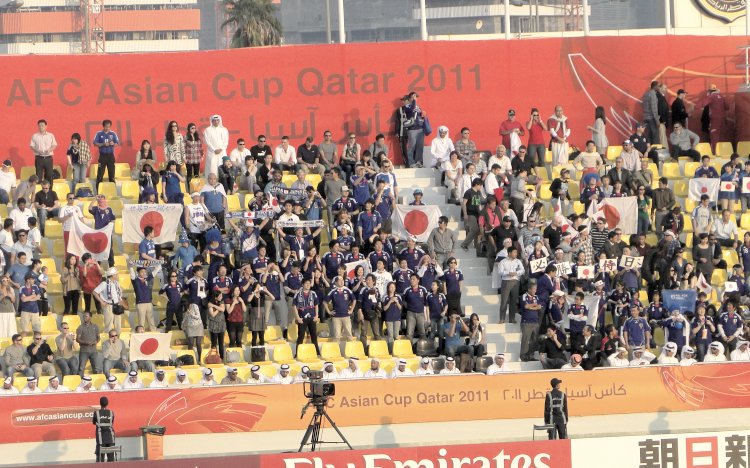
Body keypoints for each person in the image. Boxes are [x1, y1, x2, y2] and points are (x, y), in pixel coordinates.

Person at [94, 267, 127, 334]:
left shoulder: (117, 283)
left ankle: (117, 341)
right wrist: (102, 301)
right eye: (116, 274)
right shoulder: (104, 283)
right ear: (112, 275)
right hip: (109, 306)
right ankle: (108, 341)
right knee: (108, 326)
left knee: (118, 325)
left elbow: (118, 294)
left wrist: (120, 301)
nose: (117, 276)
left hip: (117, 305)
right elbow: (95, 292)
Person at [93, 119, 119, 189]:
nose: (107, 128)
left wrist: (113, 143)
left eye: (109, 127)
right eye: (106, 126)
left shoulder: (113, 134)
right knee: (100, 175)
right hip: (102, 156)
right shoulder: (99, 134)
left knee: (112, 175)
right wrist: (103, 144)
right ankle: (98, 191)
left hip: (110, 156)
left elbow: (117, 143)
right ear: (103, 126)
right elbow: (95, 143)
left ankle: (113, 191)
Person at [30, 119, 58, 184]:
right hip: (39, 158)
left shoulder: (51, 135)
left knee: (49, 176)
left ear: (46, 126)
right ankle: (39, 192)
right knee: (38, 176)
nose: (41, 127)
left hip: (48, 158)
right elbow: (32, 146)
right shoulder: (35, 136)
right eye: (39, 126)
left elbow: (54, 145)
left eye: (42, 125)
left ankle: (49, 192)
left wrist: (50, 150)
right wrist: (37, 150)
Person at [94, 396, 116, 462]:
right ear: (107, 404)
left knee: (100, 457)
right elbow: (112, 422)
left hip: (101, 437)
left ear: (100, 404)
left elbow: (94, 422)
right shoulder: (111, 412)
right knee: (111, 457)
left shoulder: (96, 413)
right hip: (110, 437)